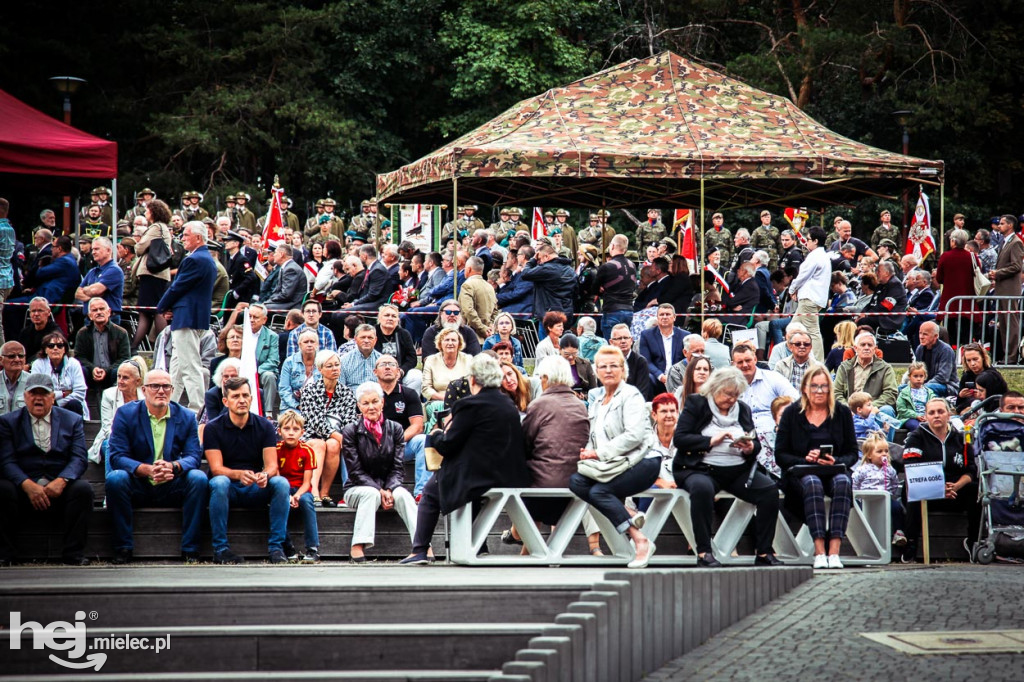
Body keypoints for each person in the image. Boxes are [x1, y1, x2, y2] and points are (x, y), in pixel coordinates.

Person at [402, 354, 532, 564]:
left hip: (479, 475)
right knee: (470, 494)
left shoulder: (468, 405)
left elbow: (448, 444)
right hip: (508, 475)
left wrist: (435, 436)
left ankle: (419, 550)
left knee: (430, 492)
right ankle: (477, 546)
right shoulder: (508, 405)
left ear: (473, 380)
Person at [673, 366, 783, 567]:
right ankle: (704, 552)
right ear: (714, 388)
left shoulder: (743, 409)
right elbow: (680, 438)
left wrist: (749, 447)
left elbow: (755, 442)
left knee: (768, 490)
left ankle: (764, 552)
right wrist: (710, 440)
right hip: (700, 468)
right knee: (702, 489)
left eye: (736, 395)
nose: (732, 399)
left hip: (737, 470)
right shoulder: (697, 403)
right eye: (727, 394)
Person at [566, 346, 657, 568]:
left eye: (613, 366)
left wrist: (598, 453)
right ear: (595, 370)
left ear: (623, 370)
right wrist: (587, 455)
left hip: (643, 461)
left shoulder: (631, 395)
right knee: (576, 481)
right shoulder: (597, 401)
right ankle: (628, 512)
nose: (608, 370)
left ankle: (641, 541)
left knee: (599, 491)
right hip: (614, 464)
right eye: (603, 366)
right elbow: (593, 438)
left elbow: (634, 436)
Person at [104, 369, 208, 563]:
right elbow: (117, 456)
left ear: (172, 389)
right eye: (155, 386)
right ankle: (122, 548)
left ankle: (190, 549)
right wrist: (146, 469)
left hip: (171, 484)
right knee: (115, 478)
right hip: (139, 484)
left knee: (199, 478)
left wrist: (173, 467)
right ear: (144, 390)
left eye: (166, 386)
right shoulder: (126, 414)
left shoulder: (185, 416)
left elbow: (194, 456)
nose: (161, 391)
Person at [0, 374, 92, 566]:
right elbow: (6, 461)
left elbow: (79, 458)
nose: (38, 398)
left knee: (83, 489)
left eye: (44, 393)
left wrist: (62, 480)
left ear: (53, 397)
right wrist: (27, 485)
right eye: (34, 393)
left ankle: (73, 554)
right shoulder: (8, 422)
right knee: (2, 489)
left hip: (59, 488)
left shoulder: (72, 420)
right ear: (25, 397)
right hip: (23, 490)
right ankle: (5, 554)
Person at [774, 367, 858, 569]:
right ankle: (819, 551)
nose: (819, 391)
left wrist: (835, 461)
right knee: (812, 483)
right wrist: (805, 459)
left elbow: (853, 453)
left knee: (843, 482)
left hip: (833, 470)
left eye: (824, 386)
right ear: (804, 388)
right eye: (814, 386)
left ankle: (834, 551)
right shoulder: (792, 413)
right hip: (801, 472)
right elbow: (781, 455)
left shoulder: (842, 412)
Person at [205, 376, 289, 564]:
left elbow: (272, 465)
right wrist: (238, 474)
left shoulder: (265, 425)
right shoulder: (213, 428)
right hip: (228, 488)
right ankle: (220, 549)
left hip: (254, 486)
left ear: (252, 399)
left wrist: (264, 475)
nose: (242, 400)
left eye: (245, 395)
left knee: (280, 483)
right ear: (225, 401)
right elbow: (216, 469)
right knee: (219, 482)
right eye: (235, 396)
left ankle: (276, 547)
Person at [341, 382, 417, 562]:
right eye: (365, 403)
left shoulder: (395, 429)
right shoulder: (350, 431)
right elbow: (355, 471)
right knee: (371, 494)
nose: (371, 407)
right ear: (359, 406)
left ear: (382, 403)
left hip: (388, 486)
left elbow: (398, 467)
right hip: (356, 488)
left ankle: (422, 545)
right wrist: (379, 489)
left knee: (404, 495)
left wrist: (389, 489)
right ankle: (357, 545)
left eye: (375, 401)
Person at [901, 398, 980, 562]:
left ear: (949, 414)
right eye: (932, 412)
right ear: (926, 416)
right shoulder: (916, 437)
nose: (936, 415)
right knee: (910, 490)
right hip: (927, 491)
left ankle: (974, 542)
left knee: (975, 489)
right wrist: (937, 488)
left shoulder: (961, 439)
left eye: (940, 411)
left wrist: (957, 486)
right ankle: (911, 543)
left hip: (955, 491)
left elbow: (971, 470)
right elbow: (911, 468)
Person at [157, 221, 217, 411]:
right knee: (177, 366)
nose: (182, 239)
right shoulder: (206, 259)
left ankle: (198, 408)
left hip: (187, 318)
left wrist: (162, 306)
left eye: (185, 235)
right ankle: (170, 402)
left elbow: (178, 286)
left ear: (198, 237)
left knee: (190, 366)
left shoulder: (195, 259)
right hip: (191, 316)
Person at [299, 350, 358, 508]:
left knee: (332, 445)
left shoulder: (347, 393)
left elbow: (350, 421)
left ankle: (325, 493)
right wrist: (340, 437)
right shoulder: (310, 391)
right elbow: (314, 421)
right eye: (330, 366)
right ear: (320, 369)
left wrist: (341, 438)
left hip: (337, 438)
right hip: (311, 435)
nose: (335, 369)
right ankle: (314, 491)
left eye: (337, 365)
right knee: (319, 444)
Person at [375, 354, 428, 499]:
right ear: (375, 372)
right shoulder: (370, 393)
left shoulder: (409, 394)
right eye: (383, 364)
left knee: (424, 441)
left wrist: (396, 440)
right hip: (374, 446)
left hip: (402, 445)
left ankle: (422, 493)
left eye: (392, 364)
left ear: (398, 372)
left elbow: (417, 426)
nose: (387, 367)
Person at [275, 410, 321, 562]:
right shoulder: (275, 450)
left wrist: (297, 496)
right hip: (282, 488)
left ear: (302, 432)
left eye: (295, 429)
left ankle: (312, 548)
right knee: (278, 504)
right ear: (279, 431)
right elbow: (276, 475)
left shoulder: (307, 451)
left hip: (301, 489)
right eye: (286, 429)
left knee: (307, 502)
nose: (291, 433)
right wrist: (287, 496)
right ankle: (288, 548)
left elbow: (307, 482)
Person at [89, 357, 146, 474]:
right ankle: (112, 486)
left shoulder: (146, 397)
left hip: (138, 441)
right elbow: (107, 428)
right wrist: (126, 440)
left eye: (125, 378)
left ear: (138, 381)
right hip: (111, 439)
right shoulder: (109, 394)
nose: (120, 381)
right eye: (118, 376)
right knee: (112, 444)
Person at [132, 200, 174, 349]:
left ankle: (158, 346)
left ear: (154, 212)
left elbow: (139, 248)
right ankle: (156, 346)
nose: (145, 213)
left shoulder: (156, 227)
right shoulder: (164, 228)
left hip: (151, 274)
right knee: (151, 311)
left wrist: (137, 244)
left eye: (147, 210)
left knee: (152, 311)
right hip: (159, 275)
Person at [853, 433, 907, 548]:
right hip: (866, 500)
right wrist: (858, 496)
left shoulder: (890, 469)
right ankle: (864, 535)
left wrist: (890, 494)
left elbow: (894, 483)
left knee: (897, 507)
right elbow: (855, 483)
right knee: (858, 510)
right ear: (869, 456)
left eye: (886, 451)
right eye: (879, 451)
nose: (884, 454)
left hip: (884, 499)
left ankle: (898, 532)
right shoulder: (862, 469)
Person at [787, 226, 830, 362]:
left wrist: (792, 288)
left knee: (812, 332)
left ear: (816, 241)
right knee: (792, 329)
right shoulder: (823, 256)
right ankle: (789, 358)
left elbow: (802, 276)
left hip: (809, 299)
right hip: (812, 299)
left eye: (809, 239)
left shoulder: (815, 256)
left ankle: (818, 363)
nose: (806, 242)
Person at [935, 229, 983, 347]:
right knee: (967, 332)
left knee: (949, 332)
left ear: (953, 241)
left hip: (950, 300)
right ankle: (966, 353)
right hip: (968, 300)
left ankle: (952, 352)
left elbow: (939, 278)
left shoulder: (945, 256)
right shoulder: (972, 257)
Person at [421, 325, 472, 428]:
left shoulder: (468, 359)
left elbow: (471, 385)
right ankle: (437, 435)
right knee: (441, 407)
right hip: (437, 401)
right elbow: (426, 389)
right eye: (446, 340)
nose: (450, 343)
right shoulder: (431, 360)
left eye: (453, 340)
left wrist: (456, 400)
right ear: (440, 343)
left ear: (459, 343)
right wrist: (447, 399)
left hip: (462, 401)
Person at [989, 215, 1024, 363]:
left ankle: (1011, 356)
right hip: (1003, 288)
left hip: (1010, 289)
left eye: (1002, 224)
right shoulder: (1004, 242)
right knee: (1003, 323)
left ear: (1010, 225)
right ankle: (1006, 355)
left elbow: (1017, 266)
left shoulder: (1016, 242)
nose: (999, 226)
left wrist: (998, 273)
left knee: (1011, 323)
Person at [833, 332, 899, 410]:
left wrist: (868, 407)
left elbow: (891, 394)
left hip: (875, 409)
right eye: (863, 345)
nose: (866, 348)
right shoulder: (844, 367)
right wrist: (848, 408)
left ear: (875, 349)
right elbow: (836, 393)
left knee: (887, 409)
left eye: (870, 345)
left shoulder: (885, 368)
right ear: (855, 348)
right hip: (849, 410)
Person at [30, 332, 88, 418]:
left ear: (64, 349)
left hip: (70, 406)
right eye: (51, 345)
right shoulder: (37, 364)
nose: (55, 348)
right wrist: (63, 393)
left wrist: (59, 402)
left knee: (74, 403)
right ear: (45, 349)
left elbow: (80, 392)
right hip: (47, 406)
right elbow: (38, 392)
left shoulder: (74, 363)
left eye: (60, 345)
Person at [594, 234, 637, 339]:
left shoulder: (607, 266)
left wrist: (602, 291)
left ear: (612, 246)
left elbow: (594, 288)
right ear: (625, 249)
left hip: (612, 310)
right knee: (625, 345)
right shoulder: (632, 266)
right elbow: (633, 286)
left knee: (612, 347)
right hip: (628, 310)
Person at [638, 303, 687, 394]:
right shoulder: (646, 335)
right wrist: (661, 376)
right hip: (657, 377)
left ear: (674, 317)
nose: (664, 317)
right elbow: (646, 361)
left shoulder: (685, 335)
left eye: (668, 314)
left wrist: (674, 376)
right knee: (646, 377)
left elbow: (687, 359)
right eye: (661, 314)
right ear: (657, 317)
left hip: (679, 377)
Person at [374, 303, 421, 394]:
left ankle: (409, 404)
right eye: (387, 315)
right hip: (376, 372)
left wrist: (401, 371)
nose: (390, 318)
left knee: (416, 376)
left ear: (398, 320)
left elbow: (412, 358)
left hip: (399, 371)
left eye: (394, 316)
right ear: (379, 318)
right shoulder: (372, 332)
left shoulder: (404, 334)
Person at [521, 243, 575, 320]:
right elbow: (575, 291)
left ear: (546, 256)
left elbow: (525, 274)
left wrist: (532, 260)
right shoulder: (570, 270)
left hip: (549, 316)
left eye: (539, 259)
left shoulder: (546, 268)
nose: (538, 262)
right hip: (567, 313)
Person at [955, 343, 1007, 414]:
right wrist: (961, 396)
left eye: (975, 359)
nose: (972, 364)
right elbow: (958, 406)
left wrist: (981, 396)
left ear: (982, 357)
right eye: (968, 360)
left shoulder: (992, 376)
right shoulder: (966, 376)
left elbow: (995, 403)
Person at [607, 323, 653, 400]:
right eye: (619, 338)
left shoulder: (640, 362)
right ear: (611, 342)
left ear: (631, 340)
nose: (623, 341)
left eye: (626, 338)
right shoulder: (606, 362)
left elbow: (642, 392)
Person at [279, 329, 320, 412]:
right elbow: (284, 389)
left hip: (317, 406)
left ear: (317, 344)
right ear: (299, 344)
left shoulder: (324, 362)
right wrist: (297, 406)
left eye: (312, 342)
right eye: (306, 342)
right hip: (292, 406)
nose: (309, 345)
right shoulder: (289, 362)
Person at [914, 321, 958, 397]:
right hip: (924, 384)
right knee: (902, 388)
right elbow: (916, 370)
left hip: (947, 386)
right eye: (920, 333)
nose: (921, 337)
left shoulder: (946, 350)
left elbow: (943, 377)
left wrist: (922, 386)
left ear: (935, 336)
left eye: (925, 334)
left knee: (928, 388)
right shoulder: (919, 349)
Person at [262, 244, 307, 311]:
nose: (274, 255)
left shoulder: (291, 269)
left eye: (275, 253)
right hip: (285, 302)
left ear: (281, 254)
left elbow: (286, 295)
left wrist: (269, 301)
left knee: (260, 309)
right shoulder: (286, 267)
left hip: (291, 305)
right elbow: (278, 291)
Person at [557, 334, 597, 399]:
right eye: (566, 354)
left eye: (574, 353)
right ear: (560, 349)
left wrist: (584, 396)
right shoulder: (554, 365)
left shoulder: (585, 364)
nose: (570, 357)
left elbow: (594, 389)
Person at [0, 341, 31, 416]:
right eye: (11, 356)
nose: (17, 360)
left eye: (21, 356)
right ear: (1, 360)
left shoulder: (33, 381)